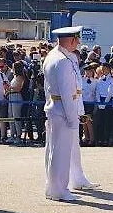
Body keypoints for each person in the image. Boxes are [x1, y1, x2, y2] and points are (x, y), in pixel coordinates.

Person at [42, 27, 97, 201]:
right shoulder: (63, 61)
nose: (79, 42)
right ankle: (58, 190)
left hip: (56, 108)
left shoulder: (55, 56)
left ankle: (65, 183)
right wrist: (73, 117)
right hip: (63, 110)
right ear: (71, 40)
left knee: (61, 149)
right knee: (61, 152)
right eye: (77, 39)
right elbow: (66, 92)